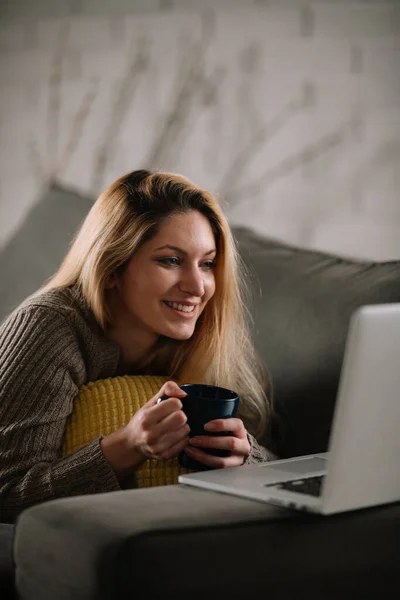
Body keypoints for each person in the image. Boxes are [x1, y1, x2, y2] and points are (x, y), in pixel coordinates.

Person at [0, 169, 275, 523]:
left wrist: (245, 457)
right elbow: (6, 495)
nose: (198, 286)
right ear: (113, 268)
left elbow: (275, 465)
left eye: (207, 264)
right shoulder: (48, 326)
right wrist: (128, 446)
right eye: (170, 260)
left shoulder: (205, 335)